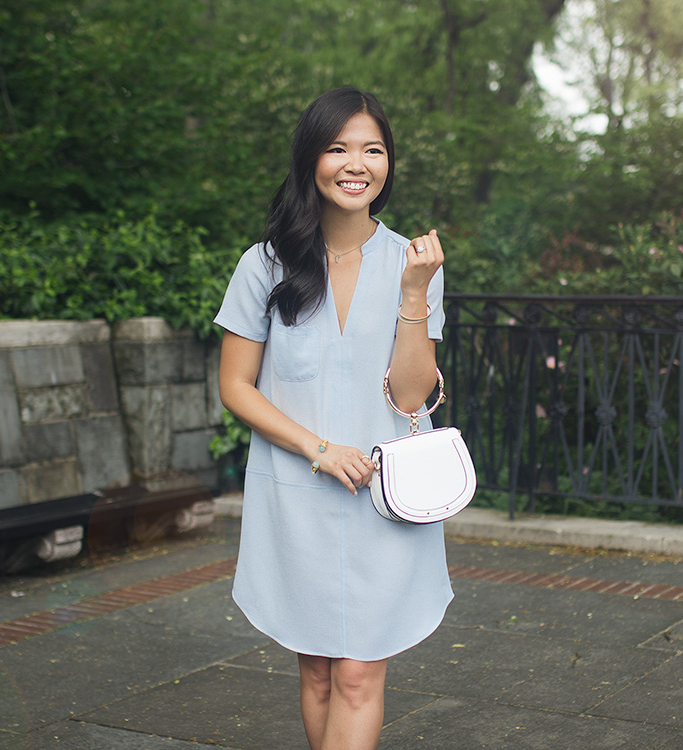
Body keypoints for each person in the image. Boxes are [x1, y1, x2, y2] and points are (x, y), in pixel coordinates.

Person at [214, 86, 451, 750]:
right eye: (338, 147)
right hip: (298, 495)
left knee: (354, 677)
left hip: (386, 498)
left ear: (388, 164)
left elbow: (410, 398)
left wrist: (413, 294)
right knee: (318, 673)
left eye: (372, 149)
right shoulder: (264, 265)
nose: (356, 163)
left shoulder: (418, 264)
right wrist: (318, 448)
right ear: (310, 160)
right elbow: (236, 386)